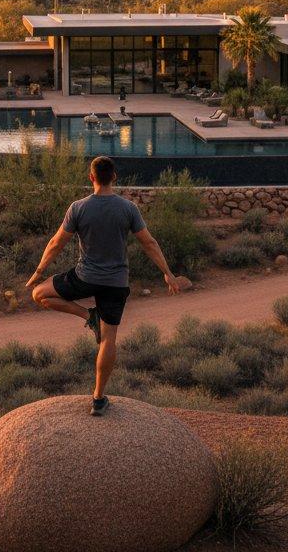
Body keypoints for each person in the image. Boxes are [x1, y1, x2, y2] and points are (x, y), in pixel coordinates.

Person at [26, 155, 181, 417]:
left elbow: (56, 243)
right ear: (114, 177)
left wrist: (38, 272)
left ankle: (88, 316)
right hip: (116, 283)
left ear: (91, 177)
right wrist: (168, 273)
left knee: (38, 294)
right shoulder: (128, 208)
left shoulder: (78, 208)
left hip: (84, 278)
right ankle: (98, 398)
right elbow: (149, 243)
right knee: (108, 340)